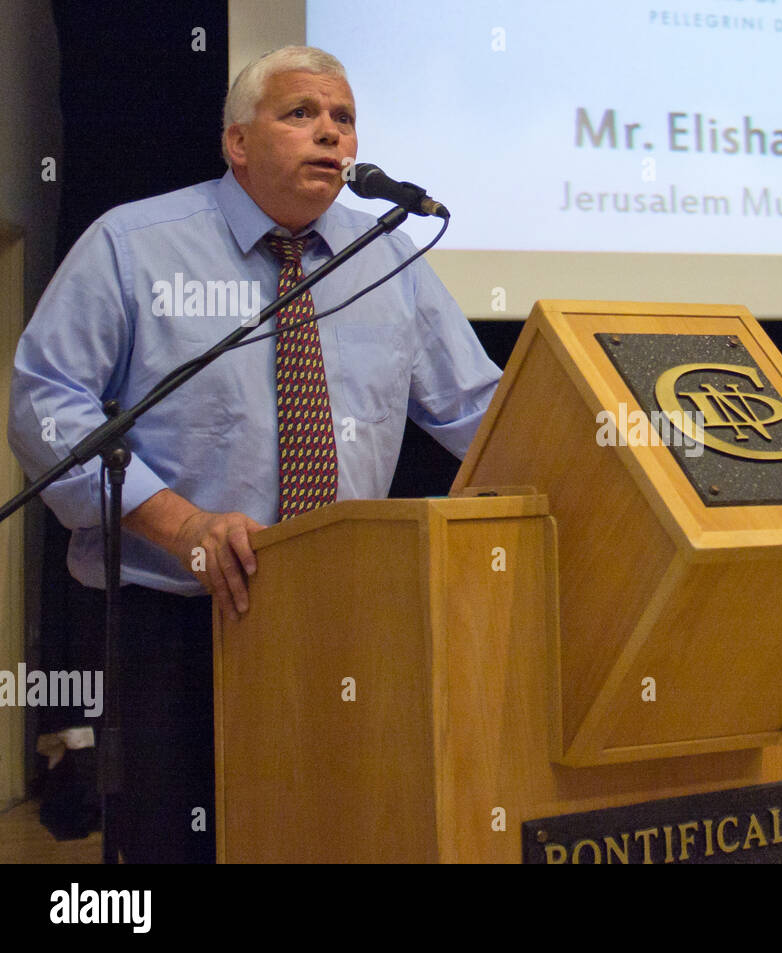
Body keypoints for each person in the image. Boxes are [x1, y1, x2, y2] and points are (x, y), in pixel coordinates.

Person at [7, 46, 502, 862]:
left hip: (344, 617)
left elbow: (479, 410)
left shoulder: (390, 257)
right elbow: (45, 404)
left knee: (338, 830)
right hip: (174, 619)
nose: (331, 135)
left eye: (343, 119)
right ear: (237, 142)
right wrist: (181, 524)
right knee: (179, 843)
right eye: (301, 113)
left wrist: (607, 449)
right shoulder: (136, 245)